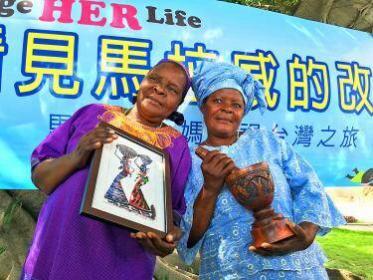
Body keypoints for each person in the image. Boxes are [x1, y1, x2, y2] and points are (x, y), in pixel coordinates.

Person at [21, 59, 192, 280]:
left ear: (178, 103)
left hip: (121, 264)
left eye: (172, 89)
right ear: (142, 81)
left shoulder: (177, 146)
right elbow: (41, 178)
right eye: (154, 79)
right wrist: (77, 155)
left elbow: (171, 217)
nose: (159, 89)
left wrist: (165, 240)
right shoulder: (91, 114)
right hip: (59, 248)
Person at [177, 61, 345, 279]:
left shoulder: (268, 141)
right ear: (202, 105)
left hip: (297, 269)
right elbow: (189, 239)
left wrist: (306, 234)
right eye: (218, 100)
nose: (227, 108)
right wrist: (210, 189)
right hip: (230, 271)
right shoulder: (189, 157)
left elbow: (309, 186)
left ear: (244, 112)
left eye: (236, 105)